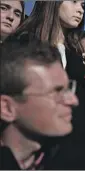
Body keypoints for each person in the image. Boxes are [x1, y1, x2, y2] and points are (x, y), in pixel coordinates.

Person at [7, 2, 85, 169]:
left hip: (71, 158)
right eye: (74, 2)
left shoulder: (78, 59)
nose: (80, 10)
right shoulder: (22, 44)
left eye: (83, 5)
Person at [0, 41, 78, 169]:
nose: (73, 100)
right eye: (57, 91)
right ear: (7, 108)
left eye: (68, 88)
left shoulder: (71, 159)